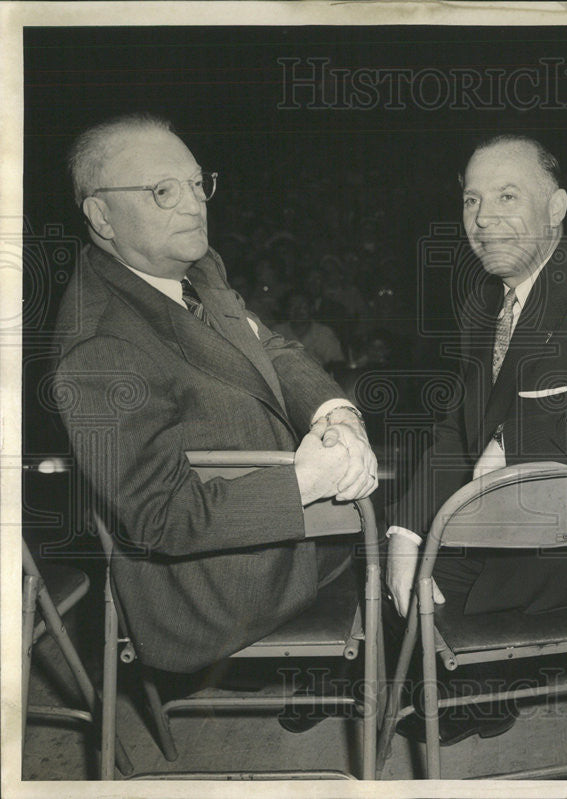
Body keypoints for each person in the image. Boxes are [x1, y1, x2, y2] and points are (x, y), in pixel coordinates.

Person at [54, 114, 378, 685]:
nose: (193, 204)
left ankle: (325, 684)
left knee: (404, 516)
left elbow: (268, 345)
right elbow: (159, 519)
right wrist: (306, 480)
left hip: (274, 525)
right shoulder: (98, 347)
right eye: (162, 191)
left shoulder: (195, 265)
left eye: (197, 183)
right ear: (101, 216)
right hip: (219, 585)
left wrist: (337, 414)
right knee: (416, 536)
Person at [385, 134, 567, 744]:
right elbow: (455, 433)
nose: (483, 220)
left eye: (507, 196)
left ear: (557, 208)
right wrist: (406, 528)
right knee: (390, 572)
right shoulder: (481, 305)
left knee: (403, 633)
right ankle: (481, 692)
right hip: (500, 531)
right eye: (470, 201)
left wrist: (511, 443)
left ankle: (476, 688)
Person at [274, 291, 347, 372]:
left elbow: (338, 362)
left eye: (303, 307)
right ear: (286, 310)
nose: (298, 311)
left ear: (311, 309)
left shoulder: (323, 332)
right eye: (293, 306)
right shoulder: (277, 332)